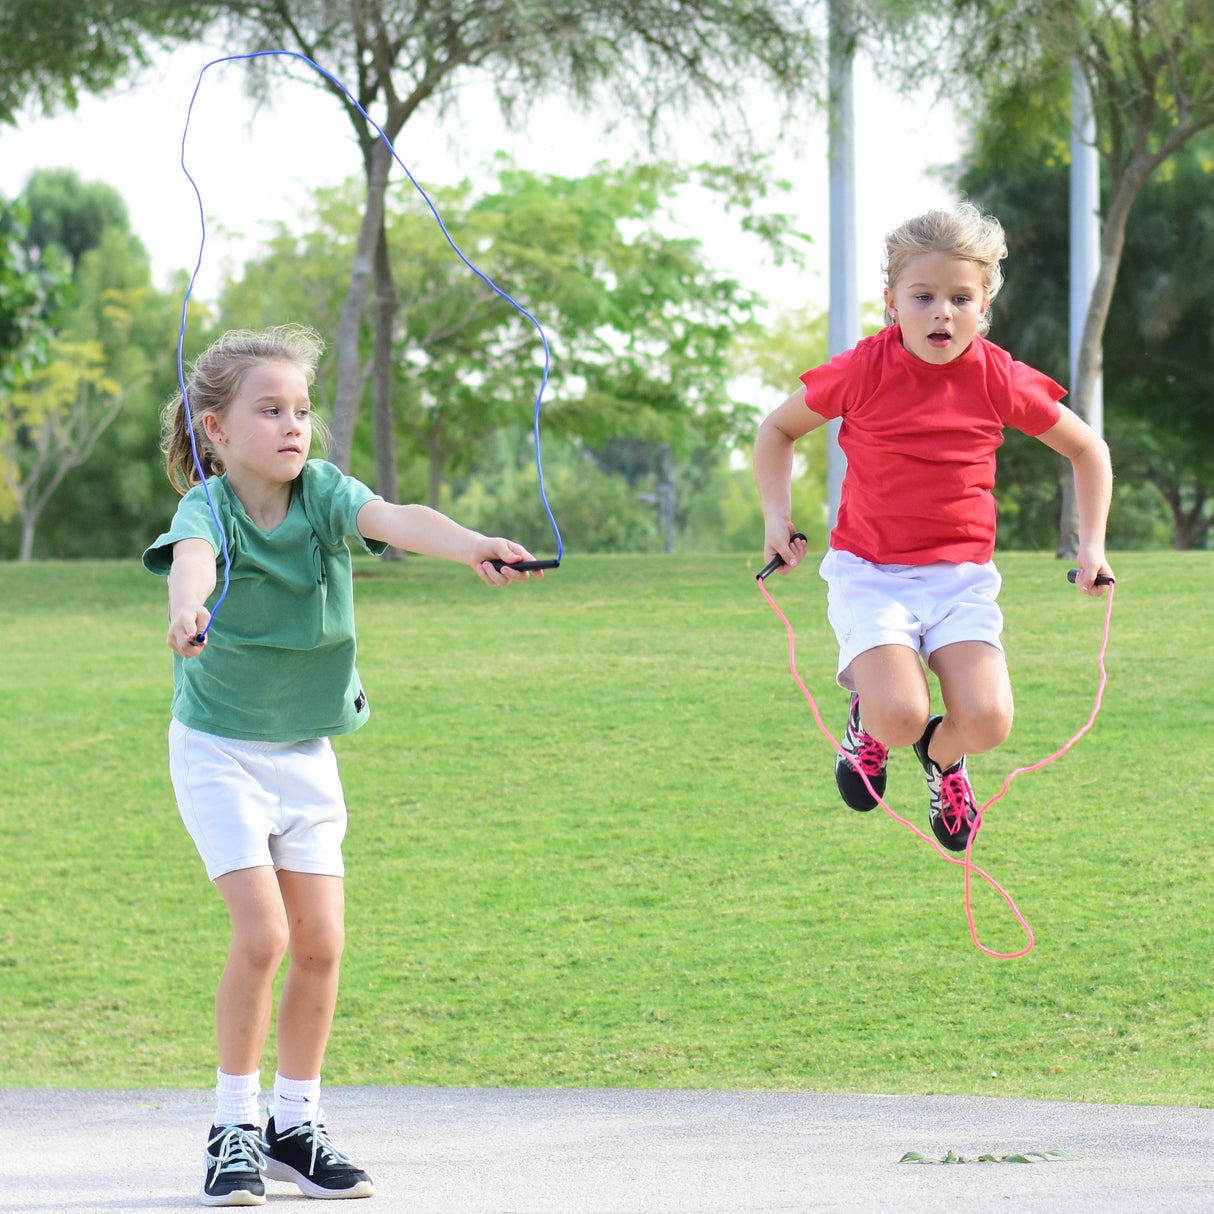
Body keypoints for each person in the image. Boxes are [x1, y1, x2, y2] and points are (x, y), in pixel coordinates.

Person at [144, 325, 542, 1206]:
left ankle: (295, 1126)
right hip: (219, 751)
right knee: (264, 936)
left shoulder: (322, 492)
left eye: (302, 409)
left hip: (307, 751)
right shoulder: (208, 509)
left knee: (321, 944)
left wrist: (473, 543)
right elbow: (191, 565)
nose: (294, 425)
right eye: (270, 410)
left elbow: (395, 519)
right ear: (216, 429)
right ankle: (233, 1127)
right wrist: (186, 611)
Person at [754, 203, 1113, 853]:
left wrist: (1092, 548)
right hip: (872, 575)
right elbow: (777, 429)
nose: (941, 313)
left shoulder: (998, 376)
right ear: (892, 302)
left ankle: (943, 760)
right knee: (899, 714)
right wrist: (777, 518)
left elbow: (1088, 449)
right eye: (923, 297)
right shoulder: (863, 369)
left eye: (960, 298)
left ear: (984, 307)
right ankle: (869, 722)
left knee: (990, 720)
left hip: (960, 579)